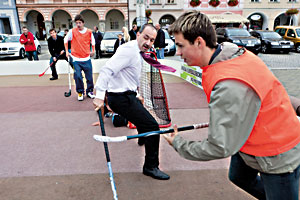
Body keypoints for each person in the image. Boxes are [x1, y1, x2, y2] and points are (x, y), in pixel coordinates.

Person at [163, 10, 300, 200]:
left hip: (277, 151)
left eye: (180, 46)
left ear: (199, 42)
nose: (177, 53)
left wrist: (179, 143)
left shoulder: (227, 84)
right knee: (238, 177)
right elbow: (270, 88)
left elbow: (219, 147)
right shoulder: (232, 53)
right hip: (250, 141)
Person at [93, 24, 170, 180]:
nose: (148, 43)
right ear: (138, 34)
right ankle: (151, 167)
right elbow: (107, 70)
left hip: (127, 95)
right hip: (120, 98)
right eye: (146, 37)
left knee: (143, 118)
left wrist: (137, 94)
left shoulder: (138, 51)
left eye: (152, 40)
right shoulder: (128, 50)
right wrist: (99, 95)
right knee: (153, 127)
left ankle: (143, 138)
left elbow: (129, 76)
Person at [64, 14, 96, 101]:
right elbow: (65, 40)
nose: (78, 24)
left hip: (86, 58)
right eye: (77, 23)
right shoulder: (72, 31)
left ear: (83, 23)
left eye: (80, 23)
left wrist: (93, 50)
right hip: (75, 59)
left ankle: (89, 91)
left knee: (89, 77)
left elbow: (93, 42)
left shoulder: (89, 32)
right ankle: (80, 92)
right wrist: (67, 51)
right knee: (77, 76)